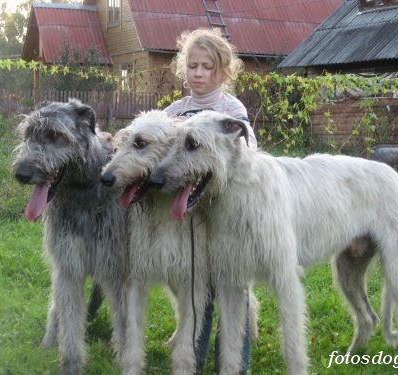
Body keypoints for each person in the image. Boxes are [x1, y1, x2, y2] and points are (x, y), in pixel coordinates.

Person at [163, 28, 257, 374]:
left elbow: (249, 153)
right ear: (183, 68)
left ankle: (237, 361)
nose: (199, 73)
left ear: (223, 71)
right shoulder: (177, 110)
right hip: (191, 217)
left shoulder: (230, 109)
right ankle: (194, 356)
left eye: (207, 67)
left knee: (233, 288)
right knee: (196, 288)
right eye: (193, 66)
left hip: (226, 216)